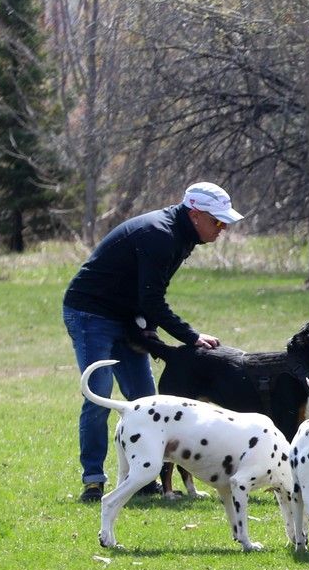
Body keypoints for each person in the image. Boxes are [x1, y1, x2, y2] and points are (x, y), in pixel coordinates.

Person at [63, 182, 244, 503]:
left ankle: (143, 479)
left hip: (126, 317)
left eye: (225, 222)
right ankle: (93, 481)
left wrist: (144, 327)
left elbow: (144, 296)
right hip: (90, 313)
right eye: (217, 221)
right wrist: (191, 337)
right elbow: (152, 299)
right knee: (99, 395)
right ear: (194, 214)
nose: (223, 229)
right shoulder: (159, 235)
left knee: (147, 402)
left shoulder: (183, 236)